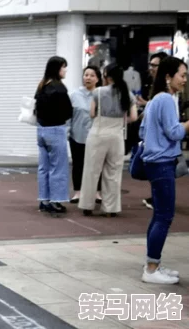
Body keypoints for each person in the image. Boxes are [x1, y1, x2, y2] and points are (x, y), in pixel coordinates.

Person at [139, 57, 188, 284]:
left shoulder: (154, 100)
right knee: (164, 216)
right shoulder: (166, 99)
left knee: (159, 214)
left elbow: (142, 131)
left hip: (154, 162)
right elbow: (175, 133)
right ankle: (151, 269)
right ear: (169, 76)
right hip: (162, 163)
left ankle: (153, 263)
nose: (185, 80)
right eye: (182, 75)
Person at [78, 63, 138, 217]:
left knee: (92, 170)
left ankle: (87, 205)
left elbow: (92, 114)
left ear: (106, 76)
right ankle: (110, 209)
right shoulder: (128, 94)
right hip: (117, 135)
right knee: (113, 173)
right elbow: (133, 117)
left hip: (98, 132)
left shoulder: (98, 92)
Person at [35, 56, 73, 214]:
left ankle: (44, 200)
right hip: (56, 129)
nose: (65, 70)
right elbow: (68, 111)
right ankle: (56, 201)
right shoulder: (59, 88)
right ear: (57, 68)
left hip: (41, 130)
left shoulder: (42, 85)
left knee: (44, 167)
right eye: (63, 67)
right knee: (58, 167)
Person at [135, 52, 169, 209]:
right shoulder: (154, 84)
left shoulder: (167, 88)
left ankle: (160, 200)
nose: (151, 68)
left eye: (155, 65)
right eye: (150, 65)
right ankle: (158, 198)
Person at [69, 66, 103, 203]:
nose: (88, 78)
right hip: (77, 134)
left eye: (92, 75)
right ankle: (78, 192)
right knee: (78, 164)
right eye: (86, 75)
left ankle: (97, 192)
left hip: (97, 135)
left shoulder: (101, 95)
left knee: (97, 164)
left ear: (98, 79)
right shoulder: (74, 95)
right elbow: (68, 115)